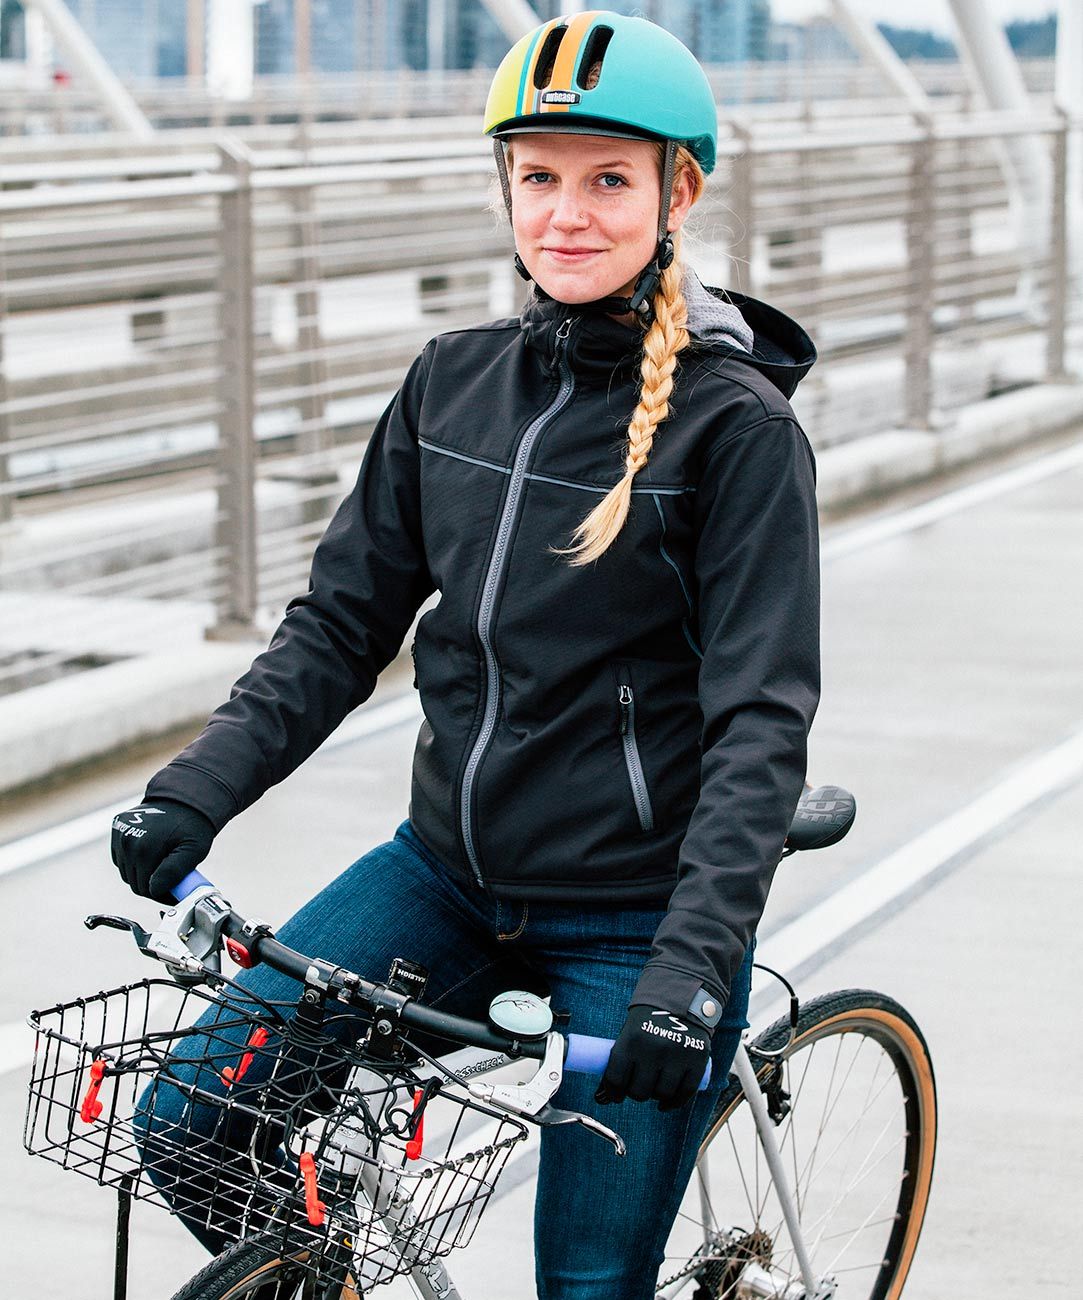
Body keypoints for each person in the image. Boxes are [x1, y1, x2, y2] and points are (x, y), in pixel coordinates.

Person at [111, 11, 819, 1298]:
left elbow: (761, 720)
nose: (567, 213)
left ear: (679, 191)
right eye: (538, 177)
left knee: (589, 1279)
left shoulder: (739, 431)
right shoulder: (450, 381)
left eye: (609, 178)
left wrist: (690, 970)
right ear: (504, 186)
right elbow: (338, 626)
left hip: (638, 912)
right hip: (445, 871)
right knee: (190, 1126)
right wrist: (194, 789)